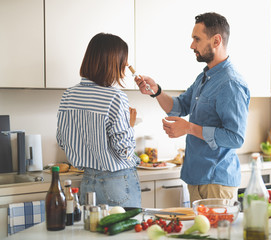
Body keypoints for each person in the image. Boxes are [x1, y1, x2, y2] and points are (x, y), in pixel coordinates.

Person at [135, 12, 250, 204]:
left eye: (197, 39)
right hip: (196, 178)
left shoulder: (230, 83)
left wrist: (188, 128)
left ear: (216, 40)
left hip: (217, 182)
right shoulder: (205, 77)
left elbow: (235, 138)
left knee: (215, 234)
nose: (191, 45)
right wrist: (156, 91)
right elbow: (179, 106)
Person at [56, 33, 141, 207]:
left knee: (92, 233)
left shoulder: (69, 95)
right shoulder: (116, 96)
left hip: (88, 181)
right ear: (113, 62)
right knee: (128, 234)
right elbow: (124, 149)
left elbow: (62, 140)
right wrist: (130, 127)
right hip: (117, 181)